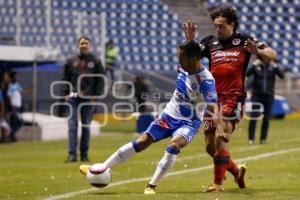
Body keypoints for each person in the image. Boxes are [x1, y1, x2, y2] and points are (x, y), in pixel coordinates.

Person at [79, 40, 218, 194]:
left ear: (193, 59)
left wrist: (217, 124)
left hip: (190, 122)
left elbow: (213, 105)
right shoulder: (183, 68)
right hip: (169, 115)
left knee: (174, 145)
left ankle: (151, 186)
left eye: (181, 58)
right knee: (142, 141)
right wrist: (190, 37)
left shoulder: (206, 80)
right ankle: (101, 168)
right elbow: (191, 48)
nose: (178, 61)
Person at [183, 5, 277, 192]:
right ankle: (236, 172)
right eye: (216, 26)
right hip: (212, 98)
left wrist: (257, 52)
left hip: (234, 97)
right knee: (210, 147)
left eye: (221, 26)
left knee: (221, 135)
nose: (218, 30)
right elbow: (187, 62)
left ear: (232, 25)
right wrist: (190, 42)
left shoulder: (244, 40)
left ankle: (217, 184)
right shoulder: (209, 42)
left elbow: (272, 54)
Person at [62, 36, 105, 162]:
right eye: (81, 43)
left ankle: (84, 154)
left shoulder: (96, 61)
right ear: (78, 45)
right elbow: (65, 78)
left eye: (86, 43)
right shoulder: (71, 60)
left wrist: (96, 95)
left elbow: (100, 79)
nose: (84, 45)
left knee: (86, 126)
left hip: (88, 98)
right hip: (73, 98)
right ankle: (72, 155)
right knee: (72, 126)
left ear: (90, 45)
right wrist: (66, 93)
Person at [246, 58, 284, 145]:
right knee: (253, 118)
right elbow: (247, 73)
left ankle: (263, 139)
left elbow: (282, 75)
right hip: (256, 96)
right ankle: (251, 139)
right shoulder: (257, 65)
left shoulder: (272, 66)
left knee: (266, 119)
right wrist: (254, 64)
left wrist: (274, 65)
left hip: (269, 96)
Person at [7, 71, 24, 142]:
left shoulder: (17, 85)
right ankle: (12, 136)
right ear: (12, 77)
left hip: (19, 107)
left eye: (18, 76)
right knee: (16, 122)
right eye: (16, 76)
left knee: (19, 122)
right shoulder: (10, 86)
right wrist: (12, 107)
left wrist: (31, 88)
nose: (17, 77)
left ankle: (12, 136)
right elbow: (9, 96)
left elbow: (21, 92)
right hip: (14, 107)